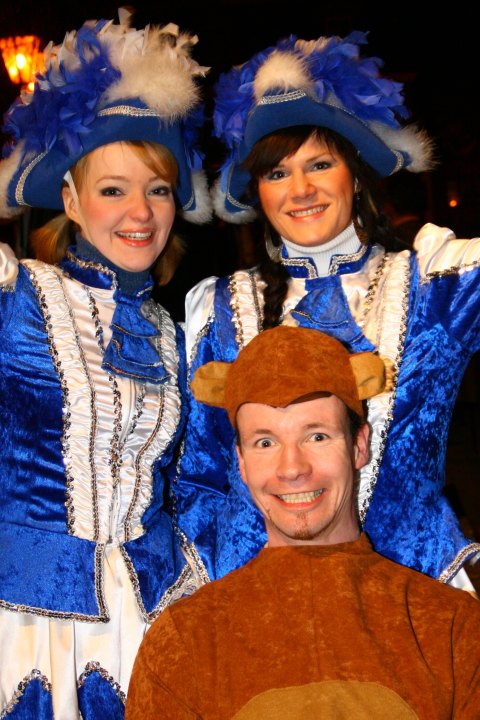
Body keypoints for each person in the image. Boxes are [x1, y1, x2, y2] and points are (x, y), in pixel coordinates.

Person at [173, 30, 480, 592]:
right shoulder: (218, 307)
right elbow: (202, 474)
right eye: (277, 173)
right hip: (262, 597)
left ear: (354, 176)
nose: (300, 190)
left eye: (319, 164)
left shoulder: (439, 282)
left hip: (412, 594)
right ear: (259, 192)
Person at [0, 9, 211, 719]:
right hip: (25, 622)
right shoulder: (16, 296)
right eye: (113, 189)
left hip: (151, 615)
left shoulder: (172, 331)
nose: (140, 212)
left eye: (157, 189)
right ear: (70, 200)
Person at [126, 325, 480, 719]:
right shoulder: (183, 641)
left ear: (359, 445)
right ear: (241, 463)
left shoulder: (453, 629)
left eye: (316, 436)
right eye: (265, 442)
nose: (292, 468)